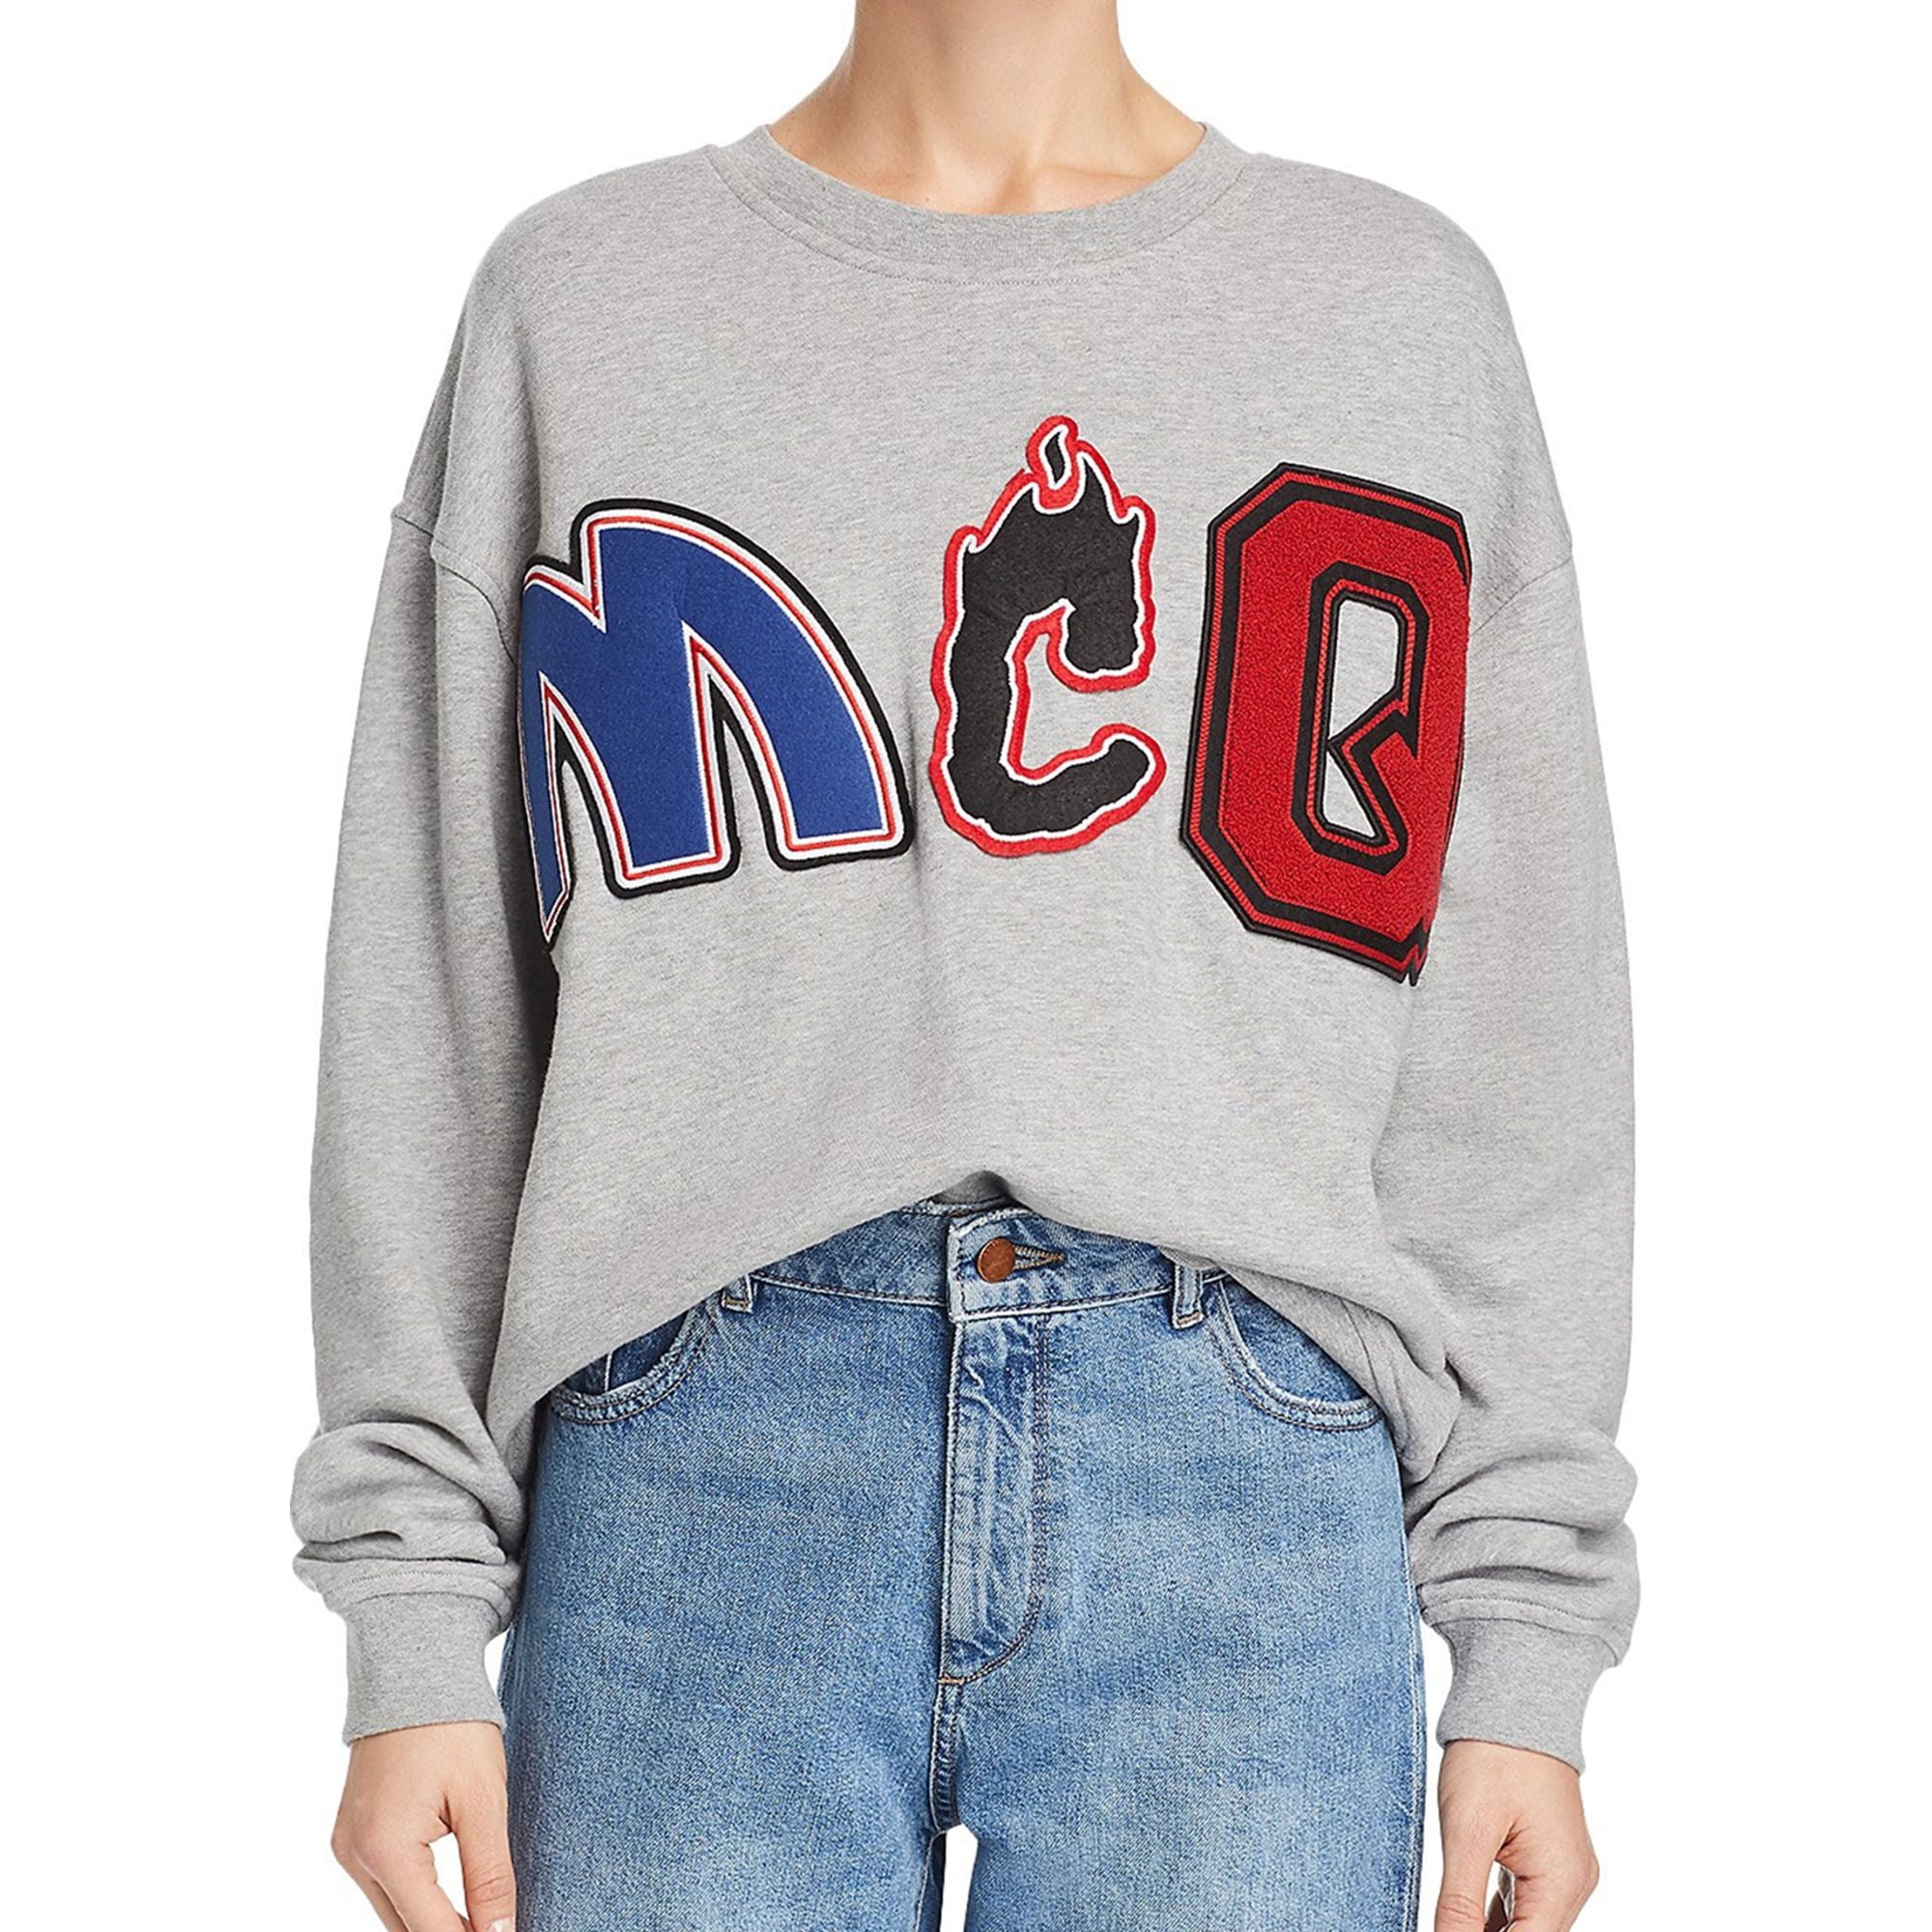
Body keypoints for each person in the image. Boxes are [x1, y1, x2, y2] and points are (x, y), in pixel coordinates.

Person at [294, 2, 1635, 1927]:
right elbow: (437, 996)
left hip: (1245, 1484)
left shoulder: (1396, 309)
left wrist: (1525, 1634)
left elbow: (1513, 1035)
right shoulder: (583, 300)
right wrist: (413, 1606)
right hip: (695, 1476)